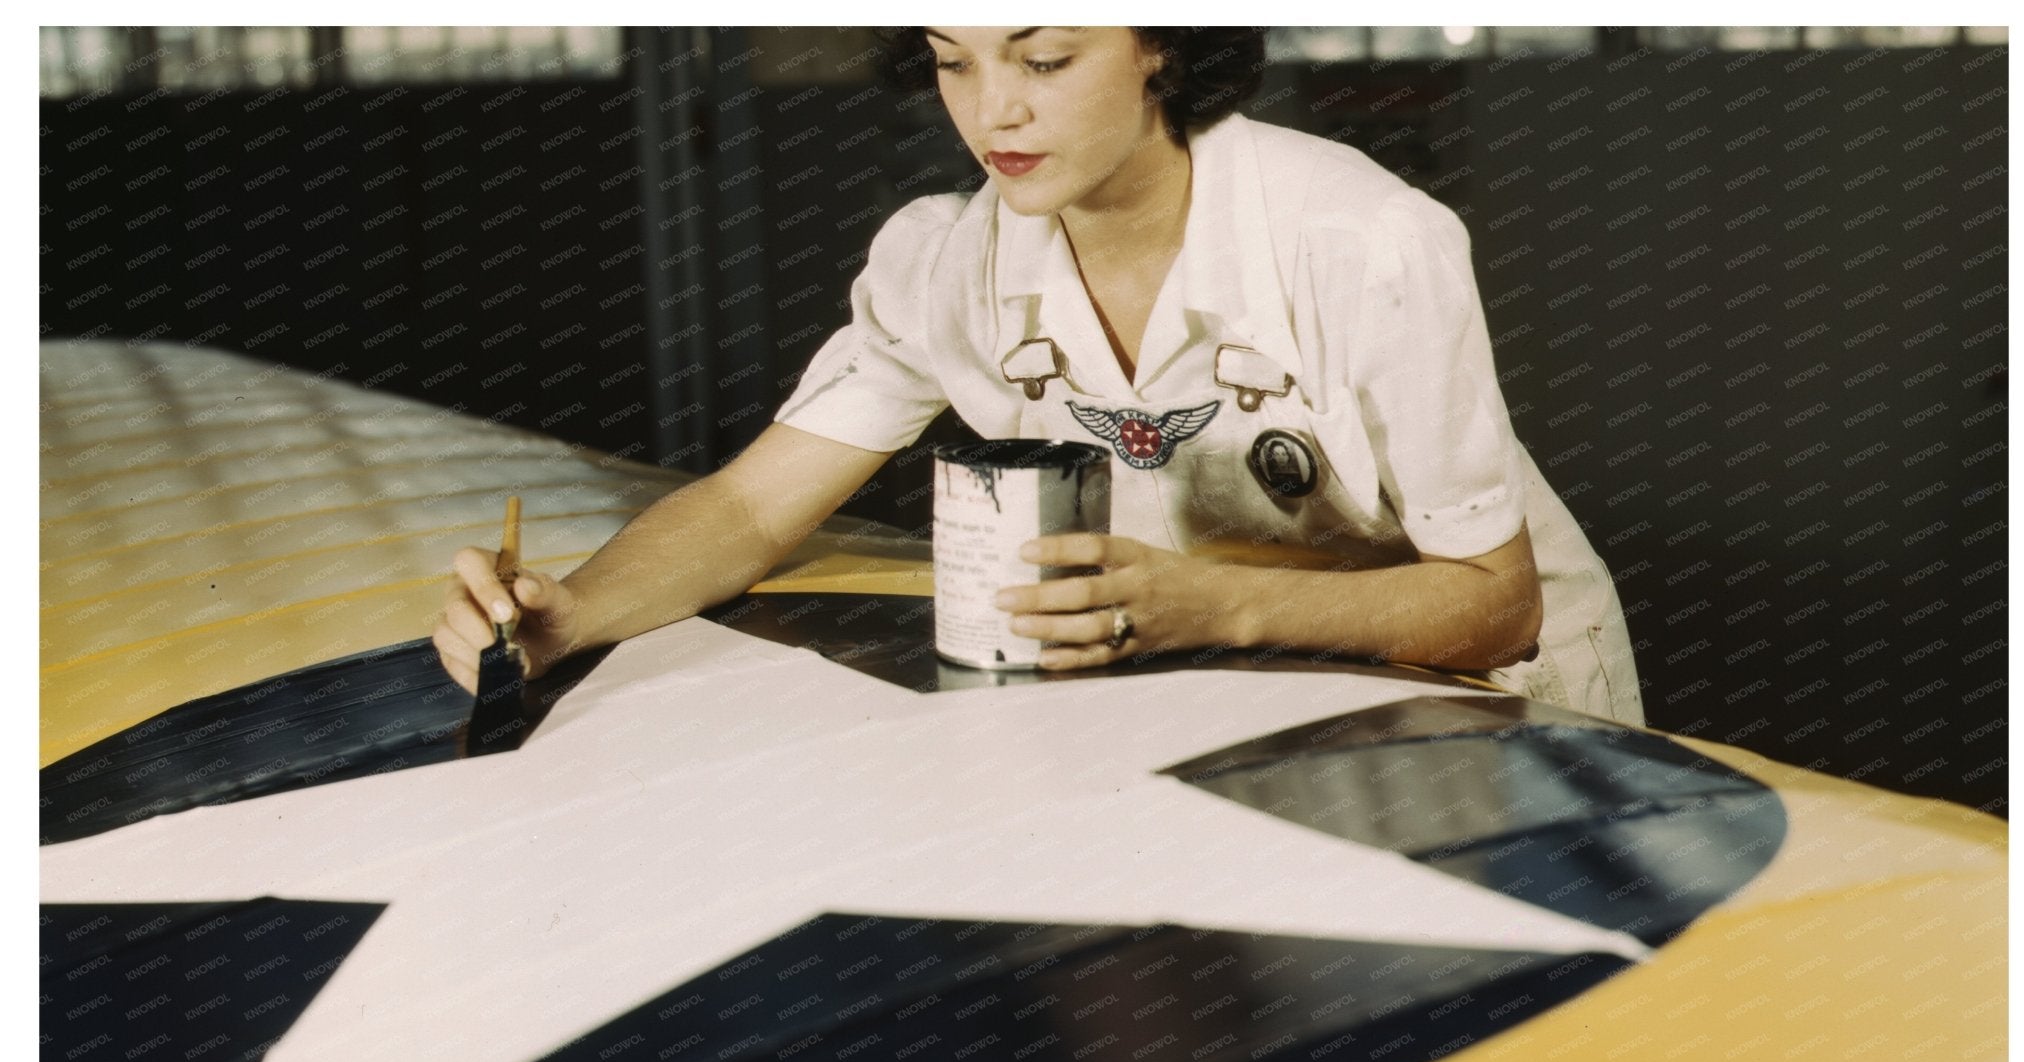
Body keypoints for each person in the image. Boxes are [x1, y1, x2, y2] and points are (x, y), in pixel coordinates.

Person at [436, 26, 1643, 725]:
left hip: (1493, 684)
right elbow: (752, 506)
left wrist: (1207, 604)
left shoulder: (1362, 238)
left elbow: (1495, 600)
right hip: (1212, 667)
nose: (991, 112)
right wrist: (568, 616)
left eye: (1046, 57)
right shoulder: (943, 258)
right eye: (951, 62)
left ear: (1162, 42)